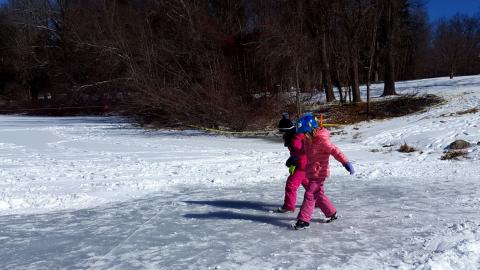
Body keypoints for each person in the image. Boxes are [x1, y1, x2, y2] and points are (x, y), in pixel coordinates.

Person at [293, 113, 354, 230]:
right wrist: (294, 157)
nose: (304, 136)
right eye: (302, 134)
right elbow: (303, 151)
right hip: (311, 171)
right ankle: (331, 213)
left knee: (310, 194)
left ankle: (303, 220)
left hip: (320, 172)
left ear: (312, 129)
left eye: (305, 133)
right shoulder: (307, 140)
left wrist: (346, 163)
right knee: (318, 194)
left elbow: (335, 151)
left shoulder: (322, 140)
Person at [276, 113, 309, 213]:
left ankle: (289, 206)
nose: (282, 134)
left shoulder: (296, 138)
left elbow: (300, 153)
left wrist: (292, 160)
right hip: (303, 165)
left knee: (291, 185)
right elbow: (296, 153)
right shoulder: (294, 135)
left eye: (283, 132)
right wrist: (292, 160)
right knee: (309, 184)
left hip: (302, 165)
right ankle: (317, 201)